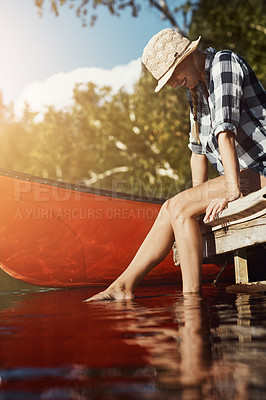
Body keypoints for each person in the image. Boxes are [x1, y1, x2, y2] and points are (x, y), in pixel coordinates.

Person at [85, 28, 266, 301]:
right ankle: (122, 286)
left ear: (187, 56)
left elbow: (224, 133)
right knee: (172, 207)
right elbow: (197, 152)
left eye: (171, 75)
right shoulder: (194, 89)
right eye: (166, 79)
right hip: (242, 174)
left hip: (261, 169)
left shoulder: (223, 65)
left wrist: (230, 190)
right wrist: (197, 201)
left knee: (179, 206)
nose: (171, 83)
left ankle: (192, 300)